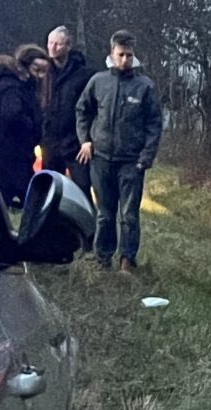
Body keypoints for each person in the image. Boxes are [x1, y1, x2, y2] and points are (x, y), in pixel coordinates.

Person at [76, 29, 163, 271]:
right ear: (112, 53)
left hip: (131, 162)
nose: (125, 60)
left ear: (134, 57)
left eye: (129, 55)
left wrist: (145, 158)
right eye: (121, 54)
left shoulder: (145, 87)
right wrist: (85, 140)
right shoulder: (98, 82)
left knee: (129, 215)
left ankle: (127, 260)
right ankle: (102, 259)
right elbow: (82, 110)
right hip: (101, 159)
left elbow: (154, 124)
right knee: (104, 214)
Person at [0, 45, 50, 208]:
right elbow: (12, 115)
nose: (41, 76)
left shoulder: (15, 85)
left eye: (44, 71)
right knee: (24, 200)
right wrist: (32, 125)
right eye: (37, 70)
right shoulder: (12, 87)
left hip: (13, 156)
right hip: (11, 157)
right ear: (25, 66)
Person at [43, 25, 96, 204]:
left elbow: (92, 110)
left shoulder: (84, 76)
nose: (53, 47)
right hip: (50, 143)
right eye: (50, 43)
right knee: (48, 190)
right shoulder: (44, 73)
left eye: (58, 44)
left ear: (68, 47)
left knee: (82, 191)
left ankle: (87, 230)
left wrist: (87, 139)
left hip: (76, 144)